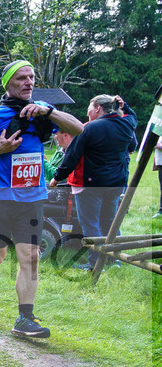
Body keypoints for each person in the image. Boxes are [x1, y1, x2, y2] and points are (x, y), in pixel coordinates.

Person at [0, 60, 82, 338]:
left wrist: (49, 111)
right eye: (21, 78)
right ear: (8, 84)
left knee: (31, 256)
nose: (28, 82)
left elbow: (79, 129)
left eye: (31, 77)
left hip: (31, 197)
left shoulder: (41, 112)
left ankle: (25, 318)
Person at [50, 94, 137, 270]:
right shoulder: (127, 124)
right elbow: (132, 144)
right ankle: (114, 261)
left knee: (91, 224)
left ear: (97, 108)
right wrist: (124, 105)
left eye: (89, 107)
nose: (87, 112)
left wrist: (57, 177)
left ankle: (95, 264)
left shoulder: (88, 128)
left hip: (90, 184)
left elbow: (71, 157)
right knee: (109, 223)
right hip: (115, 184)